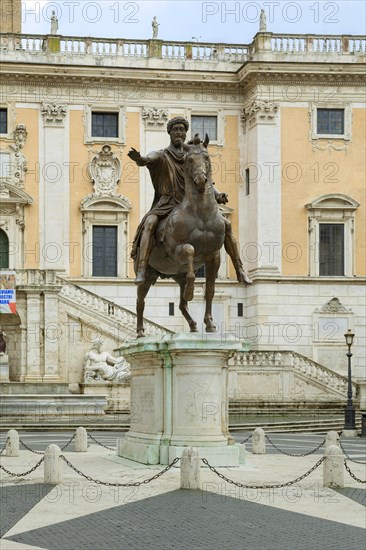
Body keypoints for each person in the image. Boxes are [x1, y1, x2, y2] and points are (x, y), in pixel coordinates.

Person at [128, 116, 252, 286]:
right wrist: (140, 159)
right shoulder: (163, 154)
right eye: (175, 129)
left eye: (182, 129)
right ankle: (142, 268)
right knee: (150, 222)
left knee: (226, 225)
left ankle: (239, 269)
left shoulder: (193, 155)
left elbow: (204, 179)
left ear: (185, 133)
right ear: (169, 133)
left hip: (191, 203)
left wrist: (217, 195)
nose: (179, 132)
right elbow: (149, 159)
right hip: (168, 203)